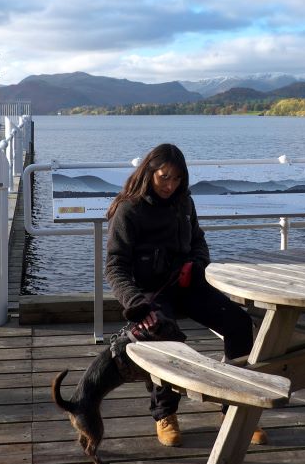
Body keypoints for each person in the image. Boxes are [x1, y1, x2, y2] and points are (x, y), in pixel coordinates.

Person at [104, 143, 268, 447]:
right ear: (148, 172)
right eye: (165, 177)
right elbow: (115, 266)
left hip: (189, 285)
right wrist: (135, 303)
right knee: (163, 335)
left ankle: (234, 407)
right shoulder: (129, 209)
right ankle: (164, 413)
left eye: (177, 179)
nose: (170, 185)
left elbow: (199, 243)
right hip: (150, 292)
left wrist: (196, 264)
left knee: (239, 324)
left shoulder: (184, 203)